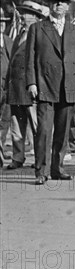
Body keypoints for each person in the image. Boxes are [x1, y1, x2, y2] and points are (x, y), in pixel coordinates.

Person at [26, 0, 75, 185]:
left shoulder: (73, 30)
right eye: (55, 2)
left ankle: (57, 169)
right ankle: (41, 171)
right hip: (44, 86)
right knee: (44, 130)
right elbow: (30, 58)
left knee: (63, 130)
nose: (59, 5)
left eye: (62, 2)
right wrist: (32, 82)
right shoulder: (37, 28)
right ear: (49, 5)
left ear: (68, 6)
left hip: (68, 86)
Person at [5, 1, 47, 170]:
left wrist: (36, 84)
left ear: (36, 17)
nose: (22, 16)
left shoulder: (40, 35)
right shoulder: (19, 34)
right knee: (16, 127)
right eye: (22, 12)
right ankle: (17, 157)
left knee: (37, 126)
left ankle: (40, 159)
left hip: (31, 88)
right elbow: (11, 61)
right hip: (15, 88)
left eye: (26, 13)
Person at [0, 9, 14, 167]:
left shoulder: (9, 42)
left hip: (6, 90)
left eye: (3, 22)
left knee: (4, 123)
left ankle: (1, 151)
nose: (1, 25)